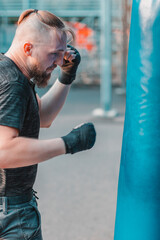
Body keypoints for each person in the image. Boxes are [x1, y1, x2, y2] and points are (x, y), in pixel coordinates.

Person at [0, 9, 96, 240]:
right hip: (11, 212)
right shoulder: (13, 84)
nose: (58, 61)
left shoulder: (12, 72)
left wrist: (67, 75)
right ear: (28, 48)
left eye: (63, 54)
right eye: (54, 54)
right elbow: (3, 150)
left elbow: (41, 117)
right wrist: (68, 143)